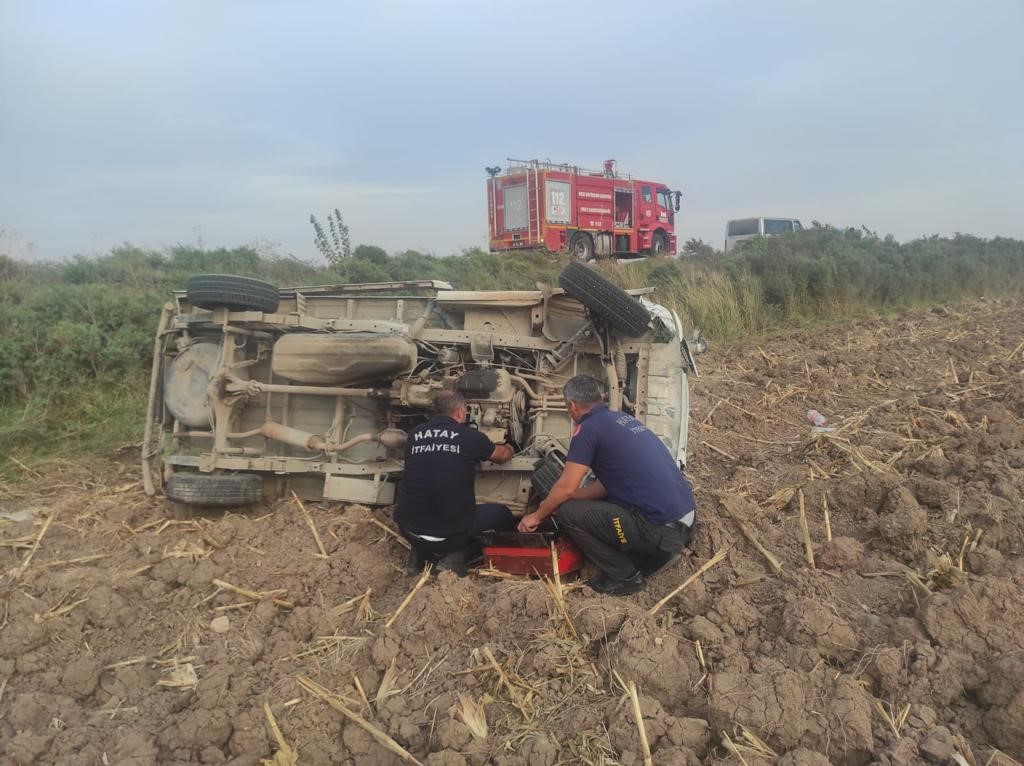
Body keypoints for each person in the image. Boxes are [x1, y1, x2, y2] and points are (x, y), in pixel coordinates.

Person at [517, 375, 697, 595]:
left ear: (572, 406)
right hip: (685, 521)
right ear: (599, 398)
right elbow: (605, 484)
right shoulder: (622, 419)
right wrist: (570, 498)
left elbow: (566, 487)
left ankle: (626, 577)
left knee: (568, 513)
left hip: (659, 530)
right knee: (580, 503)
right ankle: (654, 553)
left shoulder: (587, 429)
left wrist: (537, 516)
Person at [395, 389, 515, 576]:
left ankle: (419, 554)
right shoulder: (470, 437)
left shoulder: (414, 435)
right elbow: (502, 456)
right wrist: (510, 446)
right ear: (460, 411)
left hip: (408, 531)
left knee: (425, 505)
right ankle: (456, 558)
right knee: (504, 516)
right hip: (450, 536)